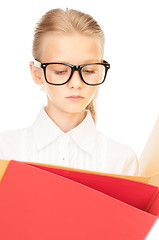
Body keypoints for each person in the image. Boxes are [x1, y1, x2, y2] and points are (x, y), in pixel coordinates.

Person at [0, 8, 138, 175]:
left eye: (88, 71)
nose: (76, 83)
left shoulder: (121, 160)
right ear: (36, 73)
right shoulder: (5, 151)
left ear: (100, 71)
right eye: (60, 71)